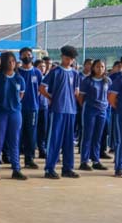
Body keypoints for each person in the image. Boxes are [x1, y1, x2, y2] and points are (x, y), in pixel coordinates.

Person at [40, 45, 80, 179]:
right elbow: (42, 88)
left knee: (69, 140)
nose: (70, 61)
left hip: (71, 110)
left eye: (72, 59)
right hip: (57, 110)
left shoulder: (75, 73)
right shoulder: (55, 72)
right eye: (67, 58)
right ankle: (49, 168)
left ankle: (68, 168)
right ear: (62, 57)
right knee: (54, 139)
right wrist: (51, 98)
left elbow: (76, 91)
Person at [0, 52, 26, 181]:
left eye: (13, 61)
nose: (12, 64)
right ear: (4, 63)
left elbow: (20, 95)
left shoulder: (19, 79)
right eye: (9, 61)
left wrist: (14, 105)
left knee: (14, 141)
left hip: (15, 113)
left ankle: (16, 169)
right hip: (0, 113)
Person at [77, 59, 110, 172]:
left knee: (98, 136)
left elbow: (110, 96)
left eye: (102, 66)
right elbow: (81, 98)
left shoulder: (107, 81)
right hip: (90, 110)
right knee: (87, 135)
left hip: (102, 111)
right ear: (93, 68)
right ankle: (84, 161)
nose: (100, 69)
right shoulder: (87, 81)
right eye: (97, 66)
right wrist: (86, 107)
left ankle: (96, 160)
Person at [16, 47, 42, 169]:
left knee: (31, 134)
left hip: (33, 108)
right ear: (20, 57)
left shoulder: (37, 72)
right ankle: (15, 159)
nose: (28, 56)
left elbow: (40, 89)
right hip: (19, 108)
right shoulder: (17, 72)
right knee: (18, 134)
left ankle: (29, 159)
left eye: (29, 54)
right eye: (25, 55)